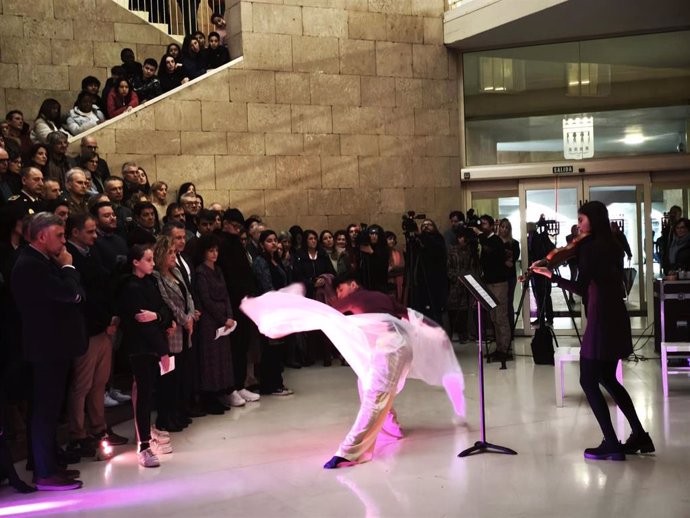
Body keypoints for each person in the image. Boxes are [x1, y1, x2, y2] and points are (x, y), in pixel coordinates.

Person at [240, 274, 465, 469]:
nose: (340, 294)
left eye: (340, 289)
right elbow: (409, 314)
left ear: (353, 284)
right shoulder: (382, 296)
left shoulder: (356, 296)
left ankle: (349, 452)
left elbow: (327, 313)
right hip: (395, 346)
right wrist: (437, 333)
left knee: (375, 395)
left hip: (391, 347)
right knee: (367, 384)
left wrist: (288, 319)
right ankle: (392, 429)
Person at [531, 201, 654, 460]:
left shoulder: (589, 249)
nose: (578, 225)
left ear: (593, 221)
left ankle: (611, 443)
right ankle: (640, 435)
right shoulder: (614, 246)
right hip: (616, 315)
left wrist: (552, 277)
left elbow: (582, 288)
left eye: (582, 219)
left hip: (600, 317)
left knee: (588, 380)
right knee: (608, 378)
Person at [11, 212, 87, 490]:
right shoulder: (31, 264)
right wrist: (69, 268)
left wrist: (72, 284)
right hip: (46, 348)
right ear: (41, 236)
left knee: (51, 409)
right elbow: (70, 293)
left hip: (53, 347)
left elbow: (76, 293)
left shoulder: (42, 261)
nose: (64, 241)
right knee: (44, 411)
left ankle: (49, 465)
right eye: (59, 235)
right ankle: (44, 472)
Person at [65, 214, 127, 458]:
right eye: (89, 232)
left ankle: (99, 428)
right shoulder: (69, 256)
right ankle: (77, 434)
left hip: (104, 327)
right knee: (82, 385)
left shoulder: (93, 251)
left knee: (99, 383)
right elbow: (81, 296)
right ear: (76, 232)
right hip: (86, 330)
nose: (94, 235)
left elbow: (105, 285)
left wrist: (112, 317)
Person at [116, 243, 174, 467]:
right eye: (148, 260)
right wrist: (163, 351)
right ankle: (144, 446)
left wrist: (158, 317)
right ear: (135, 262)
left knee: (150, 393)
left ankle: (148, 436)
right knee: (143, 396)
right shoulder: (130, 288)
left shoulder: (150, 281)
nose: (152, 263)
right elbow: (141, 323)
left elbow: (164, 310)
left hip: (153, 344)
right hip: (140, 348)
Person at [152, 236, 196, 432]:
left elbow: (188, 295)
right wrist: (184, 319)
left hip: (185, 328)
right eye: (170, 252)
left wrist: (191, 316)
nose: (174, 256)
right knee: (168, 377)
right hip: (172, 331)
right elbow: (167, 301)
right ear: (161, 254)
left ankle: (179, 411)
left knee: (181, 375)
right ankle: (166, 416)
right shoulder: (156, 276)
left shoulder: (176, 271)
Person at [194, 234, 241, 413]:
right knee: (211, 360)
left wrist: (229, 314)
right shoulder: (200, 272)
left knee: (223, 360)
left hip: (224, 320)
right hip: (210, 322)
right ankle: (209, 397)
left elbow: (226, 295)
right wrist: (223, 319)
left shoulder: (218, 270)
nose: (214, 254)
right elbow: (206, 300)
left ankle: (221, 393)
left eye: (216, 250)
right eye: (211, 251)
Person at [252, 230, 293, 396]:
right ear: (262, 244)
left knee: (278, 348)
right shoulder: (260, 262)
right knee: (270, 348)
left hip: (280, 307)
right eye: (269, 241)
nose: (274, 244)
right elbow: (266, 286)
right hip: (269, 309)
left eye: (275, 240)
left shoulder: (276, 260)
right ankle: (270, 384)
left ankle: (277, 381)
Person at [473, 214, 512, 367]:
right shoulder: (485, 241)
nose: (482, 226)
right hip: (489, 283)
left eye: (484, 224)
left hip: (499, 284)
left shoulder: (495, 240)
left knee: (501, 317)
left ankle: (505, 350)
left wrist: (480, 235)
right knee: (494, 317)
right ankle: (499, 348)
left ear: (491, 226)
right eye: (481, 224)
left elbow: (491, 251)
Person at [447, 227, 480, 342]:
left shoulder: (472, 252)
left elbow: (474, 268)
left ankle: (468, 333)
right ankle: (456, 332)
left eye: (464, 238)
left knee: (469, 309)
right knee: (455, 309)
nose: (462, 240)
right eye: (460, 237)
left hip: (469, 283)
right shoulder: (452, 251)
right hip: (455, 284)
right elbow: (448, 268)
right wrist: (456, 278)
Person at [498, 218, 520, 336]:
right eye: (502, 227)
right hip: (498, 277)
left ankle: (510, 332)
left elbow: (513, 260)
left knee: (509, 303)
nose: (504, 229)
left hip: (510, 277)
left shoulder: (514, 243)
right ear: (499, 228)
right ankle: (501, 333)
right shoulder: (495, 242)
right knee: (499, 305)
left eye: (507, 227)